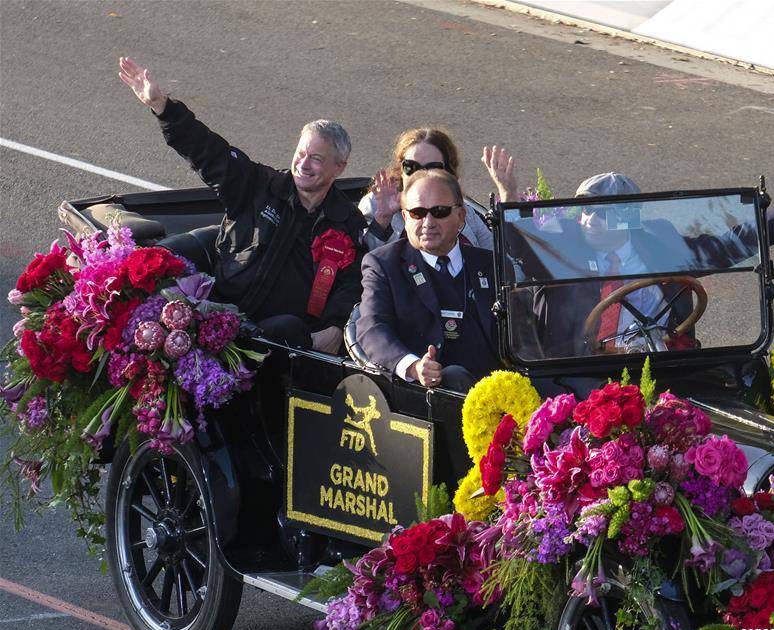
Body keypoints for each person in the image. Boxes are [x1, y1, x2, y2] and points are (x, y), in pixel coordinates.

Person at [118, 56, 366, 352]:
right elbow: (210, 152)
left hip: (284, 336)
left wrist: (336, 326)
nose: (303, 164)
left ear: (339, 167)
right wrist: (162, 107)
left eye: (316, 158)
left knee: (290, 328)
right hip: (222, 316)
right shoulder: (258, 185)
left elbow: (351, 283)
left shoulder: (347, 221)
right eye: (301, 153)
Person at [532, 169, 774, 356]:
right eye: (585, 210)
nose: (590, 220)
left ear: (628, 218)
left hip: (660, 361)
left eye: (602, 212)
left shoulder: (659, 241)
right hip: (582, 367)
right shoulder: (567, 245)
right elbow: (523, 254)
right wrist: (509, 195)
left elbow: (724, 248)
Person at [355, 170, 499, 392]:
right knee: (454, 376)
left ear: (461, 217)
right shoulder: (383, 264)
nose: (428, 222)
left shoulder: (489, 265)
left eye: (439, 212)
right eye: (418, 212)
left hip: (499, 390)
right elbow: (372, 329)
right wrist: (413, 366)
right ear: (404, 218)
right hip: (427, 395)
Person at [359, 128, 518, 250]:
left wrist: (508, 195)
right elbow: (364, 269)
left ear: (448, 172)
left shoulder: (463, 211)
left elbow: (506, 268)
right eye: (411, 167)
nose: (420, 175)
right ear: (400, 169)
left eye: (433, 168)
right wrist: (382, 221)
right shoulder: (376, 203)